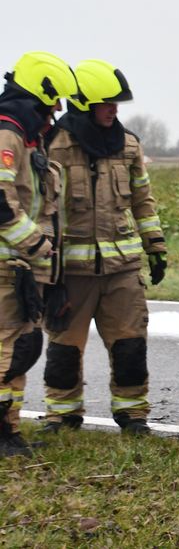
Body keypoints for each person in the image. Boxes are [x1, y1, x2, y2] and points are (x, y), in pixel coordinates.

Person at [40, 59, 165, 437]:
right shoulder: (53, 145)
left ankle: (133, 415)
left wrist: (155, 245)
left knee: (129, 345)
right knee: (64, 349)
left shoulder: (128, 145)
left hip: (122, 271)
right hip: (70, 273)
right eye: (107, 103)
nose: (114, 110)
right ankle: (62, 415)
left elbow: (143, 200)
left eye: (117, 104)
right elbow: (41, 208)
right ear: (84, 104)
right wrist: (44, 265)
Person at [0, 51, 70, 457]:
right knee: (9, 349)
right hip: (11, 263)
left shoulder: (27, 137)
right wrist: (35, 244)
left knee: (21, 349)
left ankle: (10, 429)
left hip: (24, 266)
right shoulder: (7, 133)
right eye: (51, 104)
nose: (54, 113)